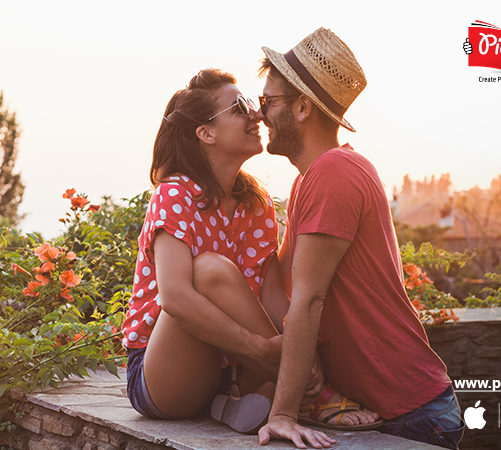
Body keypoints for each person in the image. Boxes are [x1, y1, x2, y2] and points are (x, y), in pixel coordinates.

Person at [121, 68, 378, 439]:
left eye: (253, 105)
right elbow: (174, 297)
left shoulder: (254, 204)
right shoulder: (174, 193)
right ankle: (309, 395)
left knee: (260, 313)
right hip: (161, 375)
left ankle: (244, 399)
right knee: (211, 271)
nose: (256, 114)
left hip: (226, 372)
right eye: (239, 107)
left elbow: (273, 297)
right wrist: (262, 351)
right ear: (205, 133)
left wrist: (305, 358)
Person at [255, 28, 465, 450]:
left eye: (268, 102)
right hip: (388, 408)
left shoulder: (334, 173)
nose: (260, 114)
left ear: (301, 108)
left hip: (408, 415)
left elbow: (308, 300)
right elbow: (276, 284)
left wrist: (282, 414)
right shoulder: (313, 180)